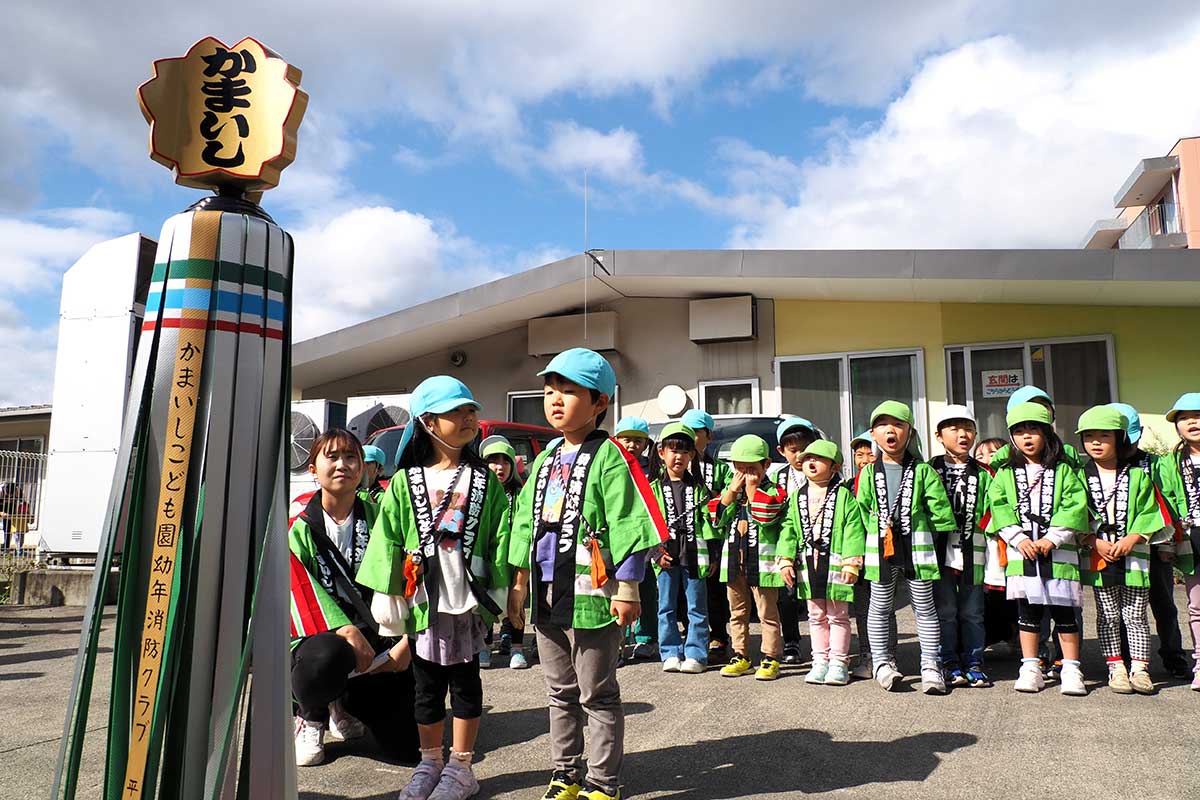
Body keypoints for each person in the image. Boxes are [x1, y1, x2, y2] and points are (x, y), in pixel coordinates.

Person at [506, 348, 668, 800]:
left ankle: (603, 781)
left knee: (596, 692)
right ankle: (565, 773)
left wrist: (629, 587)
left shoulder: (612, 456)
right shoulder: (543, 459)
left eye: (569, 391)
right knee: (558, 690)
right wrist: (518, 584)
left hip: (594, 595)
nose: (555, 400)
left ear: (600, 403)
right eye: (549, 390)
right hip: (546, 592)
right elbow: (524, 524)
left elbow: (630, 522)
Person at [356, 377, 511, 800]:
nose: (468, 418)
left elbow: (502, 538)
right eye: (456, 412)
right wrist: (390, 602)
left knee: (465, 684)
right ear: (428, 422)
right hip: (423, 601)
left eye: (470, 411)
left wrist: (507, 595)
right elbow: (386, 540)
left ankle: (461, 766)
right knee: (425, 689)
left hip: (466, 601)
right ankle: (430, 762)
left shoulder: (485, 481)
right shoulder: (404, 483)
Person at [288, 428, 419, 768]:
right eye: (331, 457)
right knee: (324, 659)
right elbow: (297, 594)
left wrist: (407, 640)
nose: (342, 465)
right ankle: (311, 715)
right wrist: (344, 629)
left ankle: (342, 706)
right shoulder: (298, 526)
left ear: (362, 468)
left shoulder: (383, 518)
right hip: (322, 641)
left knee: (404, 749)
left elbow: (411, 577)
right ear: (313, 469)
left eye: (351, 457)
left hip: (379, 640)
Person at [987, 402, 1089, 696]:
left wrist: (1052, 538)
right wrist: (1018, 538)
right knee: (1027, 613)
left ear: (1047, 433)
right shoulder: (1005, 473)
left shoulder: (1065, 471)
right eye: (1019, 431)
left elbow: (1075, 505)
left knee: (1065, 613)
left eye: (1033, 430)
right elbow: (998, 507)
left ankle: (1071, 667)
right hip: (1023, 553)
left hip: (1060, 554)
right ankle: (1030, 665)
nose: (1027, 437)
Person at [854, 401, 956, 694]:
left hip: (918, 546)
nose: (891, 430)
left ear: (909, 432)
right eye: (884, 425)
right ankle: (882, 664)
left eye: (898, 424)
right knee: (880, 607)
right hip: (880, 548)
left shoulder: (923, 471)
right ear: (873, 434)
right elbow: (862, 512)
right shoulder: (868, 474)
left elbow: (940, 513)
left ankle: (930, 665)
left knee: (924, 608)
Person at [1076, 405, 1174, 694]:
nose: (1095, 442)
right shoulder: (1078, 476)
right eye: (1089, 436)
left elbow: (1151, 512)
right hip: (1098, 553)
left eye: (1104, 436)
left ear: (1120, 439)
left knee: (1135, 614)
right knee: (1106, 614)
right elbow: (1073, 512)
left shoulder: (1139, 475)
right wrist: (1094, 541)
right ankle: (1115, 667)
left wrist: (1134, 538)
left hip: (1136, 553)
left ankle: (1140, 669)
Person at [1109, 402, 1191, 679]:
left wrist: (1167, 544)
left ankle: (1173, 655)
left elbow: (1167, 505)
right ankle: (1122, 659)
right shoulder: (1103, 466)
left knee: (1164, 602)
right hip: (1114, 547)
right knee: (1119, 607)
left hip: (1154, 546)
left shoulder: (1154, 464)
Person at [777, 440, 866, 686]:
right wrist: (785, 559)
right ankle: (820, 661)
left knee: (838, 614)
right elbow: (788, 529)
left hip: (836, 563)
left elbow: (853, 528)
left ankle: (839, 662)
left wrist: (851, 562)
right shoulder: (796, 497)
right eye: (807, 459)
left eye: (818, 459)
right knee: (815, 615)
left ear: (835, 466)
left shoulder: (844, 496)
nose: (811, 462)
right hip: (807, 564)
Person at [709, 434, 788, 681]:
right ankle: (740, 655)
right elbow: (716, 518)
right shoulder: (733, 490)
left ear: (766, 464)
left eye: (752, 468)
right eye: (740, 469)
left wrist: (753, 491)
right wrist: (732, 491)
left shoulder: (774, 490)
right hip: (733, 562)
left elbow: (768, 516)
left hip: (762, 564)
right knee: (737, 611)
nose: (745, 475)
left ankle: (771, 657)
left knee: (767, 612)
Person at [929, 405, 995, 688]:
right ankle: (948, 662)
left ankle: (975, 661)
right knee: (944, 611)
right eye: (953, 429)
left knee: (972, 612)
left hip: (975, 552)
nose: (962, 434)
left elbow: (995, 509)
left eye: (967, 428)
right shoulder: (928, 469)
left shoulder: (985, 473)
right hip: (938, 554)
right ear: (939, 436)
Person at [647, 422, 718, 673]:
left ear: (692, 455)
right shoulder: (652, 489)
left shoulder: (700, 490)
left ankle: (697, 654)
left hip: (695, 556)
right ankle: (669, 652)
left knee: (697, 607)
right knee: (665, 606)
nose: (678, 456)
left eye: (685, 451)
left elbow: (709, 525)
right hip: (665, 556)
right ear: (661, 452)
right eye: (673, 450)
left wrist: (713, 554)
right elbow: (647, 526)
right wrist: (655, 553)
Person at [683, 408, 734, 662]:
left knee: (714, 589)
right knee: (683, 589)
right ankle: (690, 634)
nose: (690, 438)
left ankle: (719, 635)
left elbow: (728, 499)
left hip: (712, 536)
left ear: (708, 436)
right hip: (681, 537)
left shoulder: (720, 469)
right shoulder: (675, 465)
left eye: (696, 432)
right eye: (687, 432)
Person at [1158, 392, 1200, 690]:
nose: (1191, 422)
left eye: (1197, 415)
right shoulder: (1170, 463)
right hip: (1192, 538)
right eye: (1184, 418)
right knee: (1197, 606)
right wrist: (1166, 544)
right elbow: (1167, 505)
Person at [482, 435, 533, 670]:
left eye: (505, 461)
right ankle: (484, 647)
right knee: (483, 604)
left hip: (512, 558)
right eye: (493, 460)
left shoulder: (520, 493)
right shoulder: (478, 493)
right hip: (486, 558)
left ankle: (516, 648)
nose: (499, 466)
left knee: (516, 603)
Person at [775, 417, 821, 664]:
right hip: (790, 545)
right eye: (794, 450)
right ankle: (791, 642)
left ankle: (823, 646)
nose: (801, 455)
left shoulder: (823, 472)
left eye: (805, 447)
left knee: (820, 597)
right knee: (787, 596)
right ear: (781, 451)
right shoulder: (778, 478)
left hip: (820, 545)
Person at [613, 415, 657, 661]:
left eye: (639, 441)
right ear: (616, 440)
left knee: (647, 588)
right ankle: (616, 644)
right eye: (627, 440)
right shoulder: (610, 464)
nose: (632, 445)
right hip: (617, 541)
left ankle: (646, 637)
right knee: (617, 590)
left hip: (643, 540)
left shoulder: (652, 469)